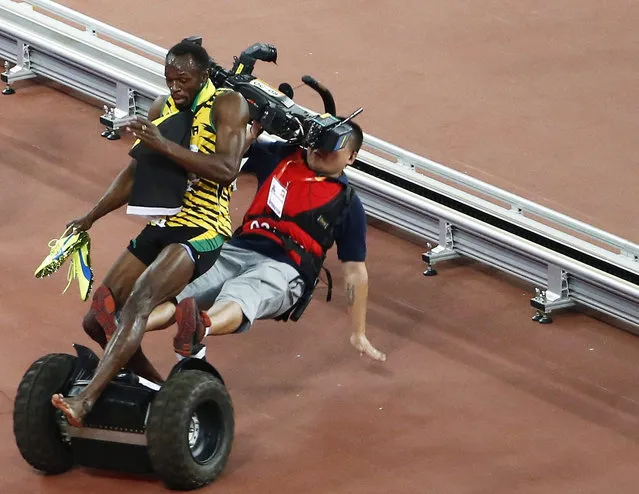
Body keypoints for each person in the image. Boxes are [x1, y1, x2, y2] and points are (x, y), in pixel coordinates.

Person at [52, 116, 385, 426]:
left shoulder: (348, 204)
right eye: (316, 146)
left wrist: (358, 331)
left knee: (245, 292)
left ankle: (201, 326)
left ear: (351, 157)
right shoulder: (282, 157)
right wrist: (255, 126)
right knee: (183, 287)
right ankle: (125, 322)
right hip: (237, 248)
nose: (320, 153)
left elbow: (355, 271)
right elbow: (231, 155)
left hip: (287, 268)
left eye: (330, 151)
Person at [50, 40, 250, 423]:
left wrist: (161, 144)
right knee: (98, 318)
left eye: (184, 80)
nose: (175, 88)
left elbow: (227, 168)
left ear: (203, 75)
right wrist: (91, 217)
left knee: (140, 302)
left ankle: (86, 401)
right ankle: (160, 390)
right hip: (162, 224)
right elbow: (135, 173)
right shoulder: (162, 108)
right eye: (169, 80)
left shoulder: (227, 105)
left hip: (203, 228)